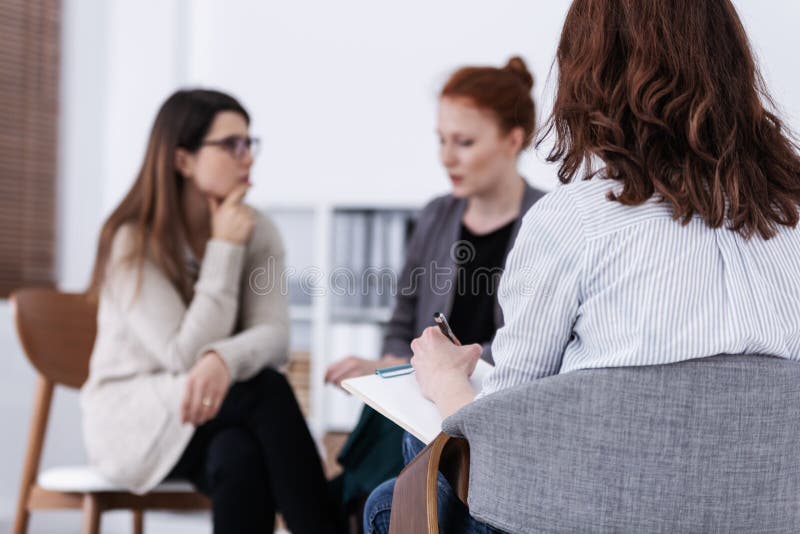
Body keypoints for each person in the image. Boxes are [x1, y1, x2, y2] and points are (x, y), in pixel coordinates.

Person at [364, 0, 800, 532]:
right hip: (767, 517)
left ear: (588, 73)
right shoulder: (790, 216)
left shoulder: (575, 220)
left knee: (396, 495)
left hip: (602, 517)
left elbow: (501, 438)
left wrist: (443, 379)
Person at [81, 89, 340, 534]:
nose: (248, 158)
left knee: (238, 455)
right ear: (183, 161)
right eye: (231, 145)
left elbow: (276, 336)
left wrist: (224, 360)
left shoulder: (259, 230)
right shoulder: (134, 241)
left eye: (249, 143)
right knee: (266, 389)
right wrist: (223, 249)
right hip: (135, 420)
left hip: (217, 412)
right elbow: (182, 353)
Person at [324, 57, 545, 528]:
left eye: (464, 142)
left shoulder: (548, 223)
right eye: (441, 140)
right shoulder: (435, 216)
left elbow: (533, 350)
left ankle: (344, 502)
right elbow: (403, 319)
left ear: (513, 140)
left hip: (494, 402)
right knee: (392, 424)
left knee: (383, 473)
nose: (447, 157)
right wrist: (385, 367)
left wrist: (444, 371)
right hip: (422, 389)